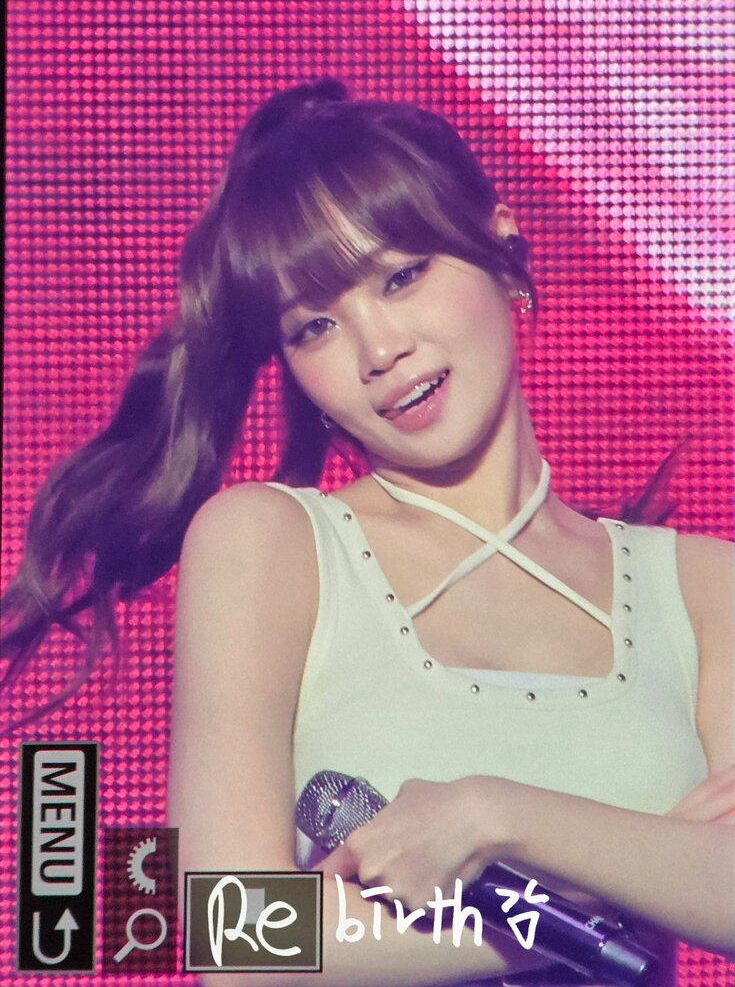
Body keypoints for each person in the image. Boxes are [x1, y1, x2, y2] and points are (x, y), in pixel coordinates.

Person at [2, 77, 734, 986]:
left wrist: (497, 817)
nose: (379, 350)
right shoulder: (270, 544)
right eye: (315, 326)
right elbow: (234, 936)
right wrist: (614, 887)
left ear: (504, 249)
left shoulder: (701, 590)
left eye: (401, 276)